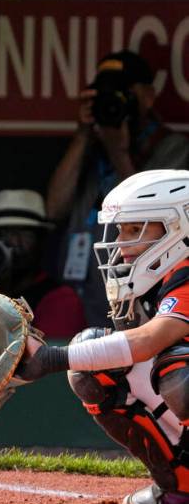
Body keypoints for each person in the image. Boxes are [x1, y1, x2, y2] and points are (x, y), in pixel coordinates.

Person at [17, 169, 189, 504]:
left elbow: (151, 340)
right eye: (121, 230)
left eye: (134, 230)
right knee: (99, 363)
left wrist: (50, 358)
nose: (122, 243)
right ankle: (181, 483)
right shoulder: (164, 277)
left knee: (178, 369)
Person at [46, 50, 189, 328]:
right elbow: (54, 208)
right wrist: (83, 135)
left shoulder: (173, 148)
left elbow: (153, 216)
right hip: (82, 295)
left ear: (147, 96)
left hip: (143, 300)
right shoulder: (90, 149)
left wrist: (119, 153)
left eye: (123, 94)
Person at [0, 189, 85, 339]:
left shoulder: (60, 299)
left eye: (23, 233)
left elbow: (46, 358)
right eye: (2, 234)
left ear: (41, 241)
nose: (12, 242)